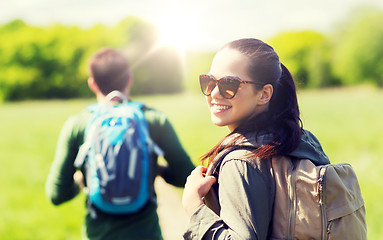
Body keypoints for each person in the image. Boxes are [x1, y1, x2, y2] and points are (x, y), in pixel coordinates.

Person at [181, 38, 330, 239]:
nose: (214, 93)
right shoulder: (302, 141)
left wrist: (194, 207)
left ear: (264, 94)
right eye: (209, 81)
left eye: (229, 84)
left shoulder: (240, 162)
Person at [45, 47, 195, 240]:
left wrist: (83, 179)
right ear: (129, 79)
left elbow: (57, 195)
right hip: (146, 234)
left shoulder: (78, 124)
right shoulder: (153, 119)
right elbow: (186, 176)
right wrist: (157, 170)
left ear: (92, 84)